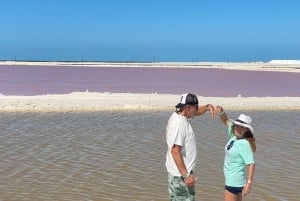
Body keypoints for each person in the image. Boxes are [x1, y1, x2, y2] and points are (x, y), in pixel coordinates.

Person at [165, 93, 215, 201]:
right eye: (195, 107)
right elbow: (175, 151)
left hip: (179, 174)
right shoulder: (179, 124)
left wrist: (206, 107)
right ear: (187, 108)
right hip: (180, 177)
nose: (197, 110)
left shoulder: (179, 115)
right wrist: (186, 176)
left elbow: (196, 113)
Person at [216, 106, 256, 201]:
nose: (238, 128)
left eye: (242, 127)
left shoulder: (244, 143)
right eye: (237, 125)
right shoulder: (234, 136)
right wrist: (221, 112)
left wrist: (249, 183)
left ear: (246, 130)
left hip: (233, 182)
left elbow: (251, 164)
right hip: (235, 181)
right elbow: (225, 121)